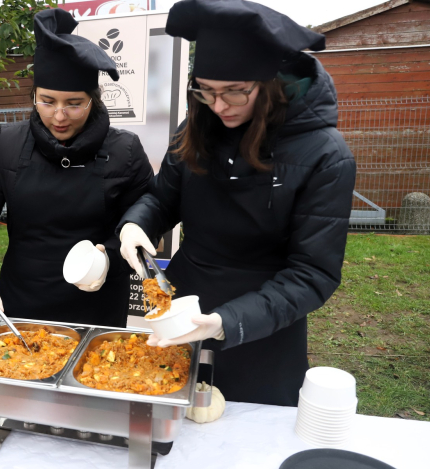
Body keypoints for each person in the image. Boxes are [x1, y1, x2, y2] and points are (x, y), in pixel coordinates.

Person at [119, 0, 356, 406]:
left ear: (270, 84)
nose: (219, 106)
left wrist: (227, 322)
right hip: (185, 300)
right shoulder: (198, 126)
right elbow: (163, 197)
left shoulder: (324, 155)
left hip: (264, 320)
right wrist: (137, 223)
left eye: (234, 93)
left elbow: (313, 272)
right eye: (206, 91)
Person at [0, 9, 153, 328]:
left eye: (74, 103)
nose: (59, 116)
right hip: (22, 303)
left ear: (93, 100)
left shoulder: (124, 150)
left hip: (97, 305)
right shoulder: (6, 145)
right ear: (33, 95)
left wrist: (110, 256)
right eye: (47, 101)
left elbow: (145, 216)